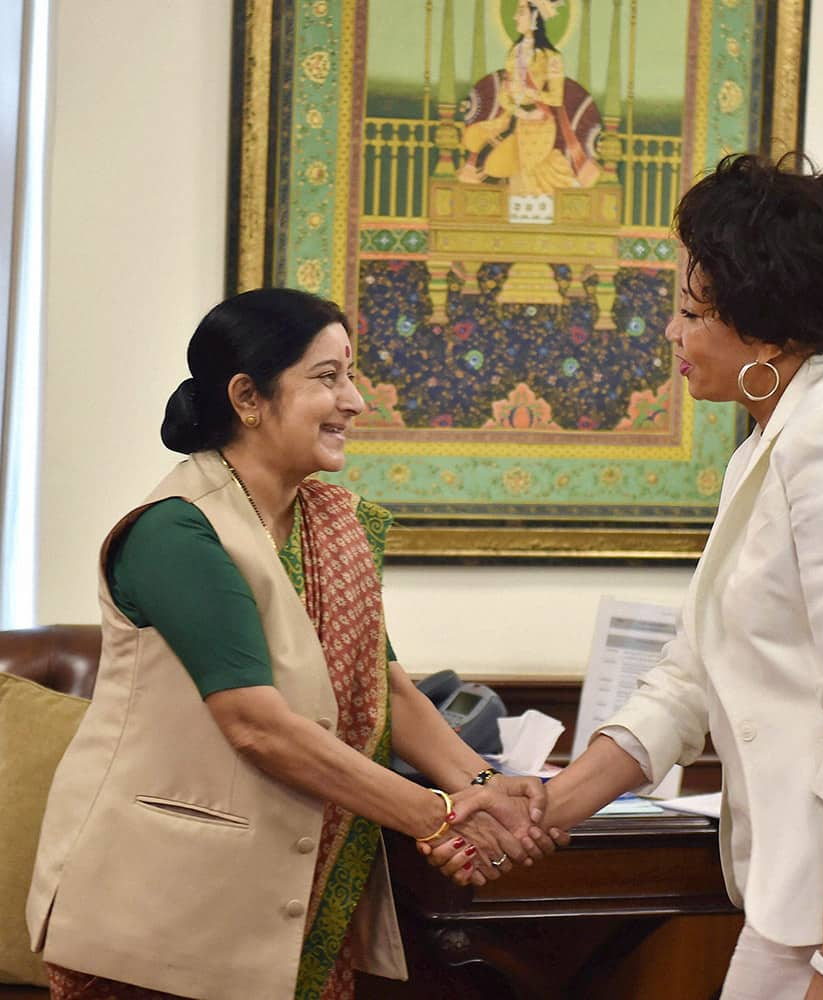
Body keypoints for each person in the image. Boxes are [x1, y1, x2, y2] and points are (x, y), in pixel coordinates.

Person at [426, 154, 823, 999]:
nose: (671, 332)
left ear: (769, 329)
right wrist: (544, 808)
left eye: (687, 310)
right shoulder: (774, 440)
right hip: (819, 887)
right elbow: (688, 678)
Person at [26, 288, 562, 1000]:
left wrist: (483, 788)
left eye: (351, 375)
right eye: (328, 377)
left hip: (289, 896)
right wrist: (431, 816)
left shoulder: (326, 525)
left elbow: (386, 689)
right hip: (160, 909)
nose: (356, 401)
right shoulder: (177, 533)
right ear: (249, 397)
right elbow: (255, 724)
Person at [459, 0, 598, 194]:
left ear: (534, 17)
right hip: (514, 117)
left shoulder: (551, 57)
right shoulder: (514, 53)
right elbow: (504, 95)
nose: (516, 17)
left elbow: (556, 98)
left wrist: (529, 93)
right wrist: (516, 109)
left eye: (521, 12)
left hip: (539, 123)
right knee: (475, 138)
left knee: (520, 170)